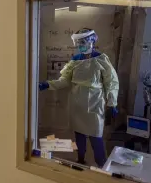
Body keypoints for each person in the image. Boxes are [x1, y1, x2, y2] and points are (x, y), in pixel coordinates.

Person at [39, 28, 119, 167]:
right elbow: (64, 80)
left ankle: (102, 165)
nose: (79, 45)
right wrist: (47, 84)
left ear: (92, 40)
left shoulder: (101, 59)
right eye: (77, 42)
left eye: (82, 42)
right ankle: (80, 159)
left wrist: (112, 102)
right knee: (79, 135)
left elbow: (111, 82)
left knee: (96, 137)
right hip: (77, 103)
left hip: (95, 102)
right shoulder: (74, 61)